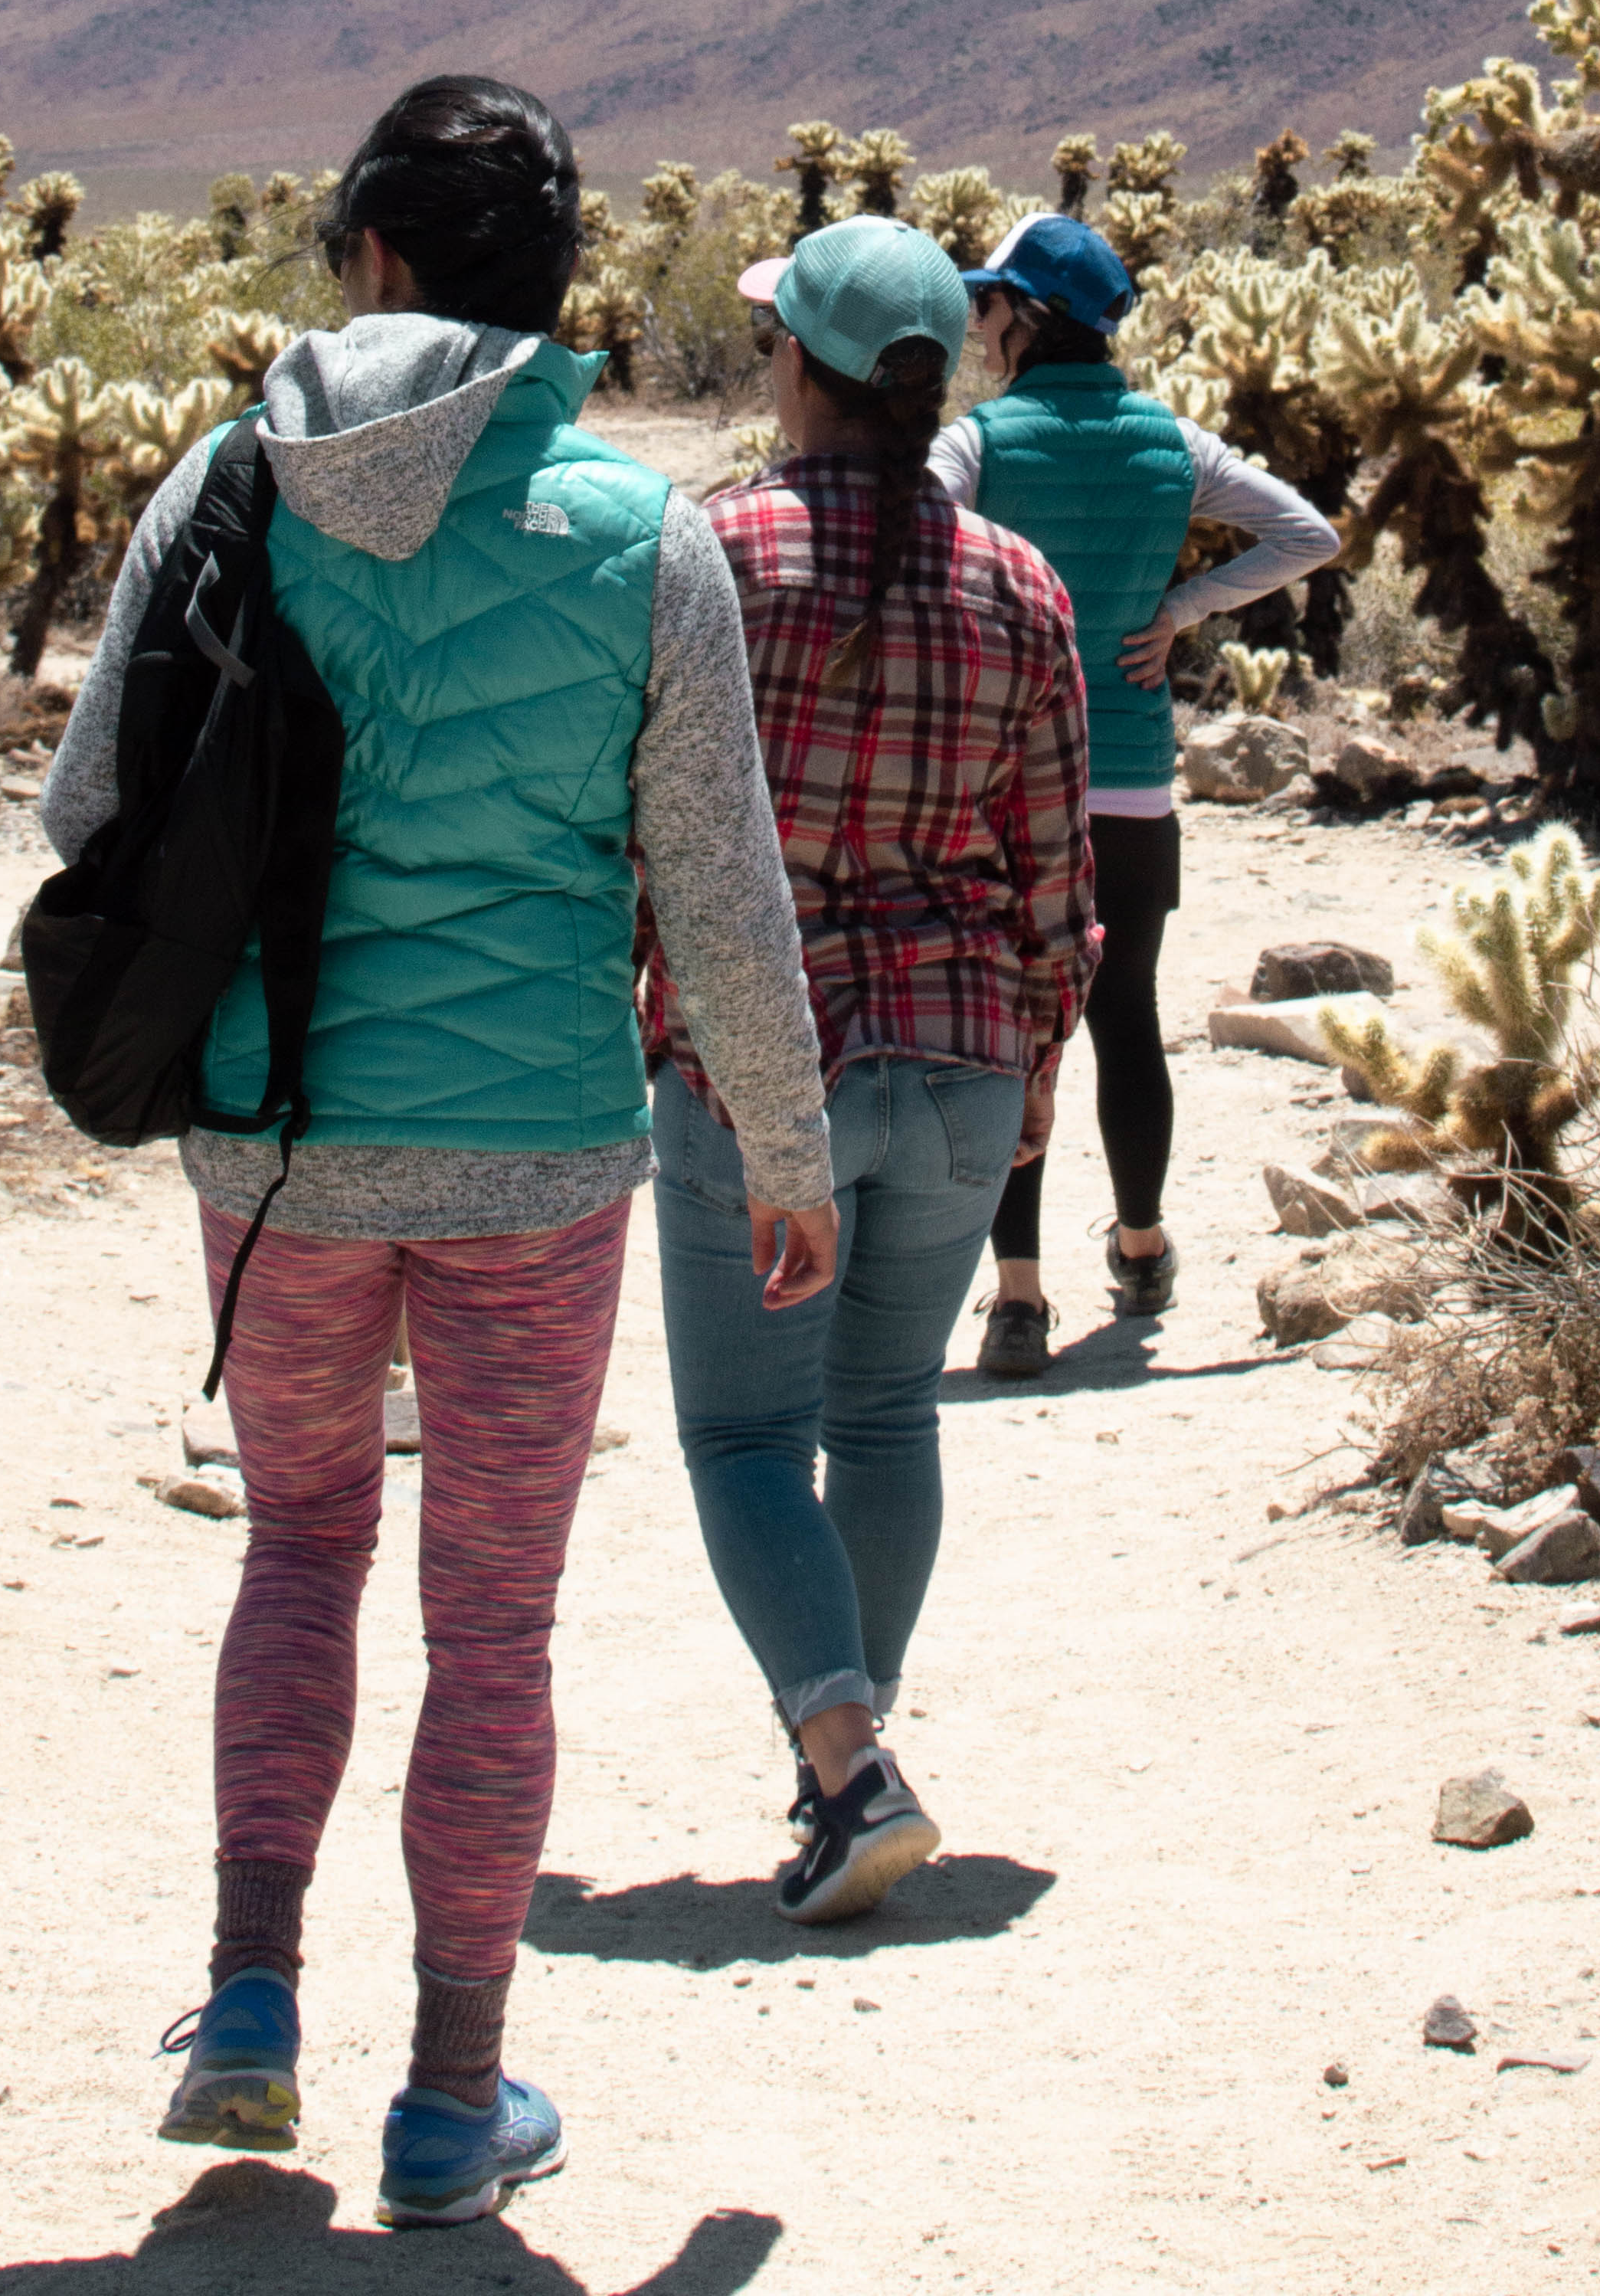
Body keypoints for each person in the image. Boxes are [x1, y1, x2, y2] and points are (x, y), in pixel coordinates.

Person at [38, 75, 836, 2229]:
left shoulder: (223, 490)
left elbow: (80, 804)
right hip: (535, 1173)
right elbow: (719, 889)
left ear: (371, 257)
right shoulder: (636, 536)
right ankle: (449, 2106)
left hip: (275, 1143)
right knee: (495, 1628)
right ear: (556, 286)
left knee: (297, 1551)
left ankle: (248, 2007)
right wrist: (783, 1147)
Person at [646, 213, 1094, 1923]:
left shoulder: (710, 555)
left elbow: (654, 826)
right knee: (885, 1407)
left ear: (801, 370)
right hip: (967, 1052)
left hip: (769, 1071)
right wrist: (1042, 1055)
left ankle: (846, 1765)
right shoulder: (1016, 583)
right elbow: (1053, 866)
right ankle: (851, 1762)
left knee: (745, 1436)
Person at [932, 213, 1340, 1379]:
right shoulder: (1174, 443)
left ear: (1029, 318)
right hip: (1131, 785)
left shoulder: (982, 443)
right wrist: (1183, 609)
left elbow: (917, 526)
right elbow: (1307, 535)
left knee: (1019, 1033)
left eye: (988, 303)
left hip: (1009, 787)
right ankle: (1144, 1243)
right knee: (1127, 1019)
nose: (980, 323)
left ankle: (1017, 1296)